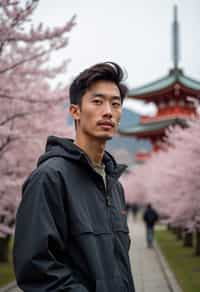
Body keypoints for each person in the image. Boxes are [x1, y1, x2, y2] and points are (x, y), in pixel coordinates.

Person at [13, 62, 135, 292]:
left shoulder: (114, 185)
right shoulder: (49, 178)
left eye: (115, 104)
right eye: (97, 102)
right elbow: (37, 270)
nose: (108, 111)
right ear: (75, 111)